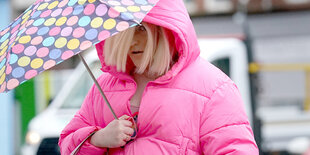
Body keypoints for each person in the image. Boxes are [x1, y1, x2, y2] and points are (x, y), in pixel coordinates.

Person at [59, 0, 259, 154]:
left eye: (140, 29)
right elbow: (67, 145)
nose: (131, 42)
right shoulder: (105, 86)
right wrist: (98, 139)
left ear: (166, 30)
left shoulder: (214, 89)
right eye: (122, 31)